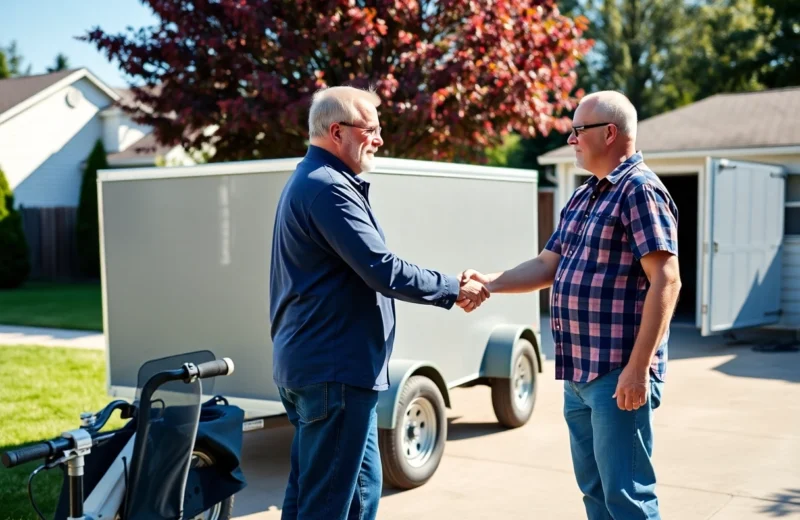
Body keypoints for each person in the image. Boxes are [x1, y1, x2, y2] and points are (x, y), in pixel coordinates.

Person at [269, 85, 489, 520]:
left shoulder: (316, 180)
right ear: (337, 131)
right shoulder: (327, 188)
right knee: (326, 504)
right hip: (334, 373)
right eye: (371, 129)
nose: (380, 139)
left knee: (357, 494)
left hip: (329, 370)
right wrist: (452, 288)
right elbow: (381, 269)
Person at [461, 90, 681, 519]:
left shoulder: (640, 192)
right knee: (595, 493)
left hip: (617, 374)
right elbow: (547, 265)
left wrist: (638, 370)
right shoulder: (585, 196)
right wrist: (491, 282)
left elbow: (666, 281)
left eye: (578, 130)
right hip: (579, 372)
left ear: (610, 133)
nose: (571, 140)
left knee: (629, 497)